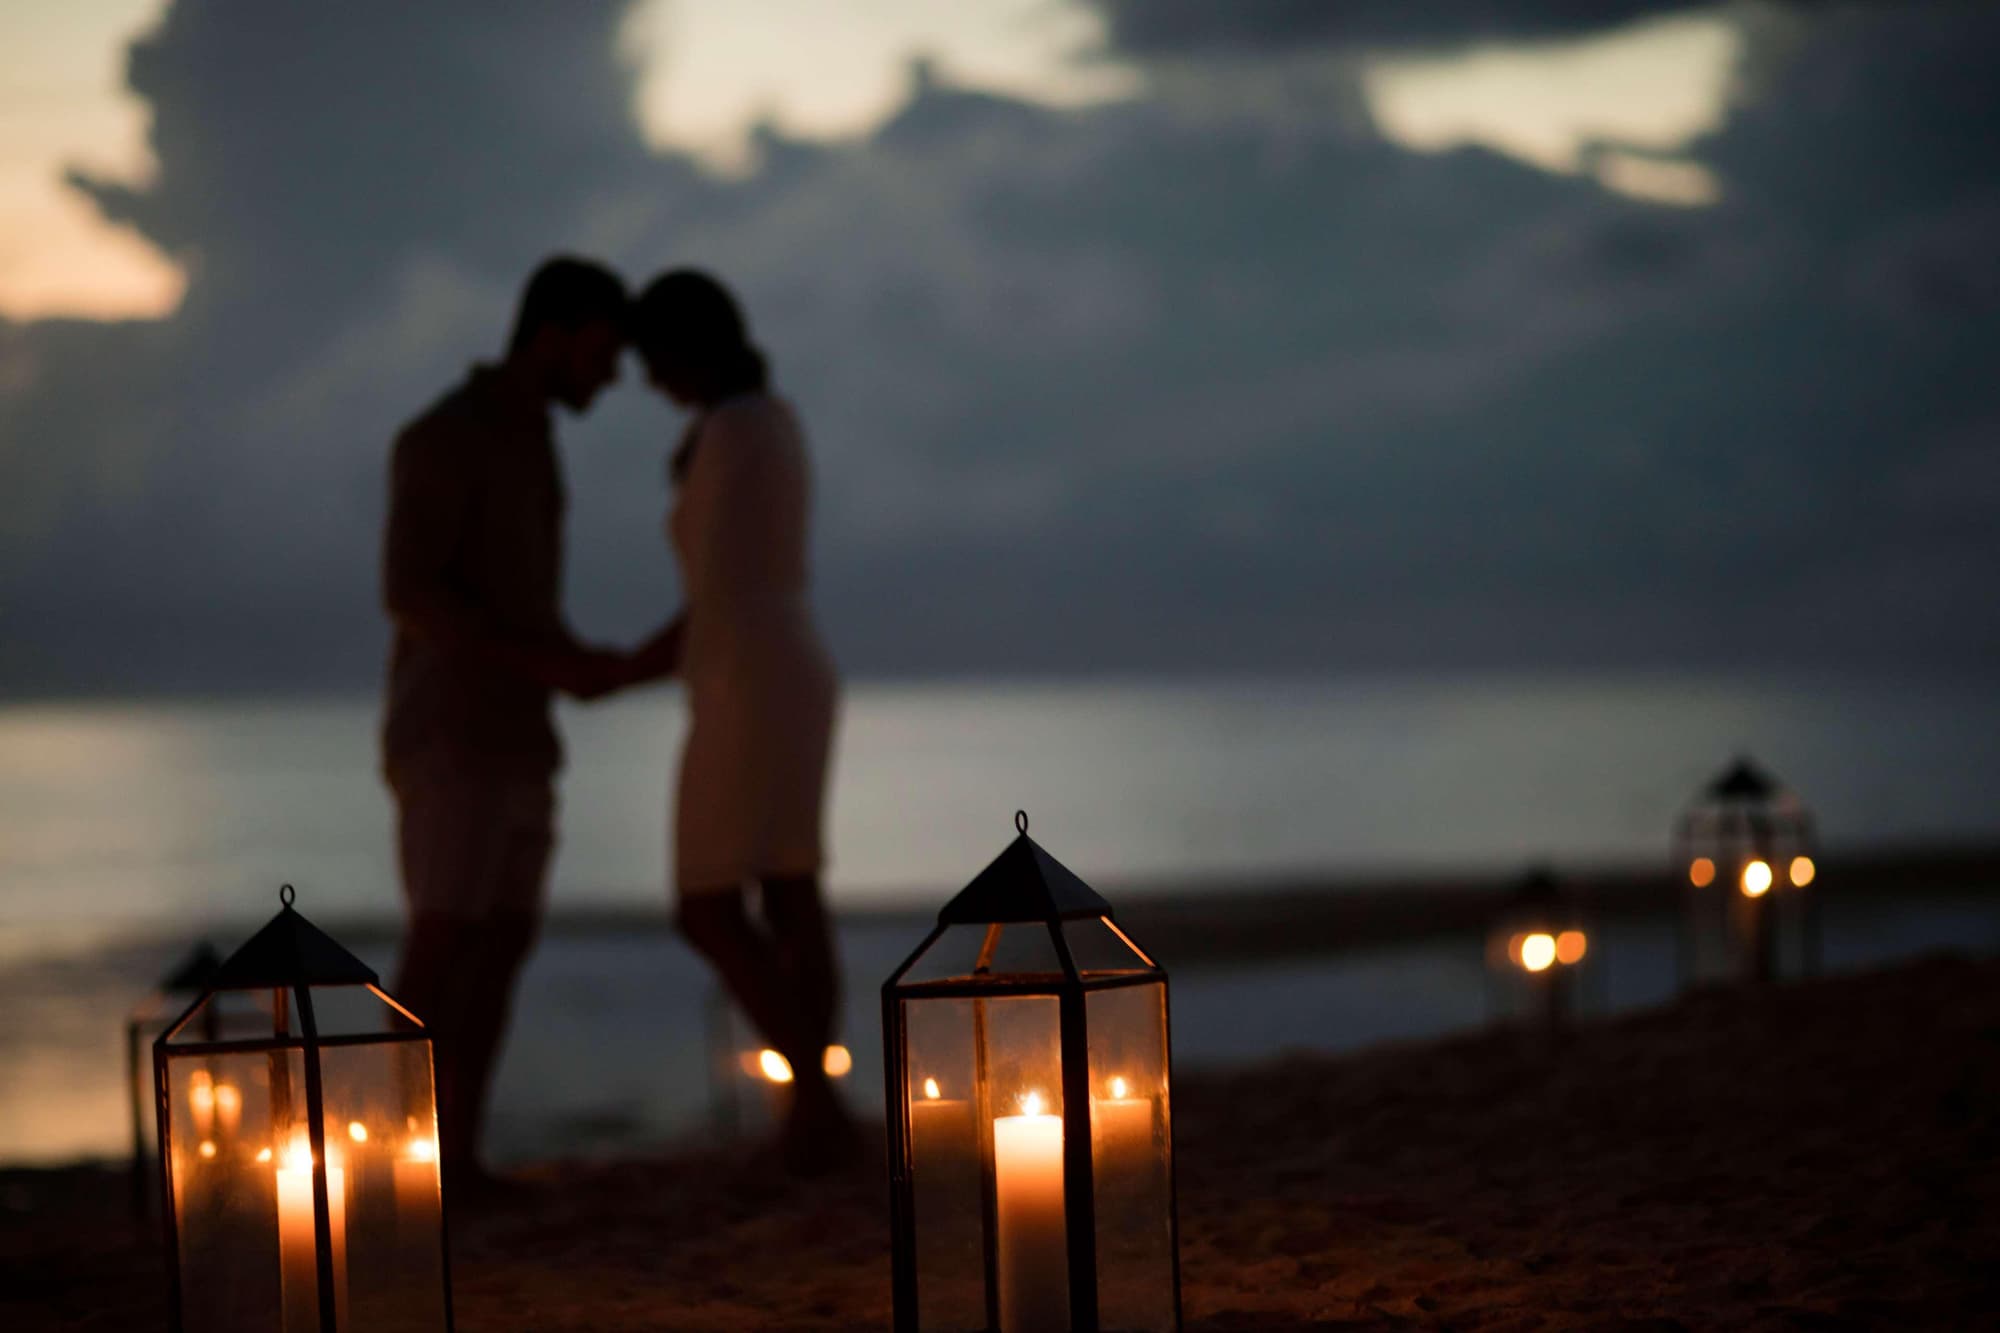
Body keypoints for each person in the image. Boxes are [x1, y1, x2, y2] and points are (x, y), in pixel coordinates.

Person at [379, 255, 630, 1193]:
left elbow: (520, 607)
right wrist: (555, 663)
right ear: (554, 334)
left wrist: (578, 661)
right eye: (602, 352)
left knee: (501, 949)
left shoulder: (532, 443)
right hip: (451, 735)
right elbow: (409, 590)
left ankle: (456, 1156)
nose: (611, 375)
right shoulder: (446, 437)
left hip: (521, 738)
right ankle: (386, 1161)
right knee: (443, 948)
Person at [620, 269, 851, 1171]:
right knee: (789, 885)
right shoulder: (768, 420)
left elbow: (715, 593)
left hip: (748, 673)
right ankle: (814, 1111)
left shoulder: (731, 429)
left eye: (652, 358)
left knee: (709, 900)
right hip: (783, 661)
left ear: (685, 347)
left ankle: (817, 1102)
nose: (646, 380)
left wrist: (617, 668)